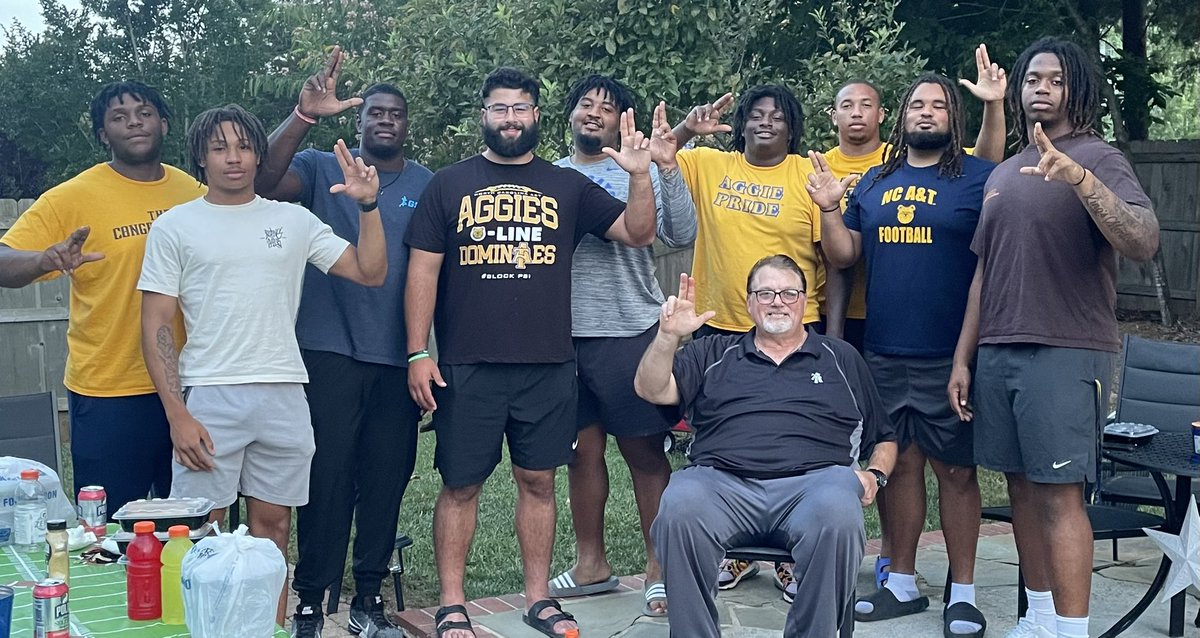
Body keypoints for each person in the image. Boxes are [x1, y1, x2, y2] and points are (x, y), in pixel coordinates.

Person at [404, 67, 657, 638]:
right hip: (469, 364)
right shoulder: (449, 184)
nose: (510, 118)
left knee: (538, 481)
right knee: (460, 485)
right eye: (500, 108)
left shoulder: (567, 186)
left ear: (537, 116)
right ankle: (451, 603)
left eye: (520, 108)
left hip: (547, 364)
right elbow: (423, 270)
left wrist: (641, 174)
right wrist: (418, 352)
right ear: (484, 116)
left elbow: (638, 232)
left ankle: (539, 600)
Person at [138, 104, 390, 626]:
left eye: (244, 146)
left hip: (284, 392)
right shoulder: (175, 226)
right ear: (201, 158)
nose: (233, 158)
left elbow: (370, 271)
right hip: (210, 396)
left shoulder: (292, 220)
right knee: (199, 535)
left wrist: (369, 205)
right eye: (219, 148)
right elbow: (157, 322)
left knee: (272, 534)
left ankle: (268, 631)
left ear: (258, 155)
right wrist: (176, 414)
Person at [948, 37, 1158, 638]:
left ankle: (1071, 629)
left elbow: (1143, 240)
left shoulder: (1099, 157)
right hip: (998, 352)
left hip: (1066, 349)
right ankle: (1039, 619)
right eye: (1033, 79)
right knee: (1020, 489)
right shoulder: (1003, 172)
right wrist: (963, 359)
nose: (1042, 88)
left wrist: (1081, 180)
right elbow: (983, 273)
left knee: (1060, 493)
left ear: (1077, 89)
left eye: (1056, 79)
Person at [254, 47, 432, 638]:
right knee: (324, 480)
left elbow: (438, 272)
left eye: (395, 114)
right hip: (327, 351)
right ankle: (311, 600)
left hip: (397, 357)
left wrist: (427, 353)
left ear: (406, 125)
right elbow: (262, 179)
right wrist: (303, 115)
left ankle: (368, 599)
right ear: (358, 121)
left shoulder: (427, 185)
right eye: (375, 112)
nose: (385, 120)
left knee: (385, 480)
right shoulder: (319, 165)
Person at [814, 72, 999, 638]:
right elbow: (844, 255)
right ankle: (901, 582)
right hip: (884, 353)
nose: (926, 112)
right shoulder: (875, 180)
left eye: (938, 105)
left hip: (949, 354)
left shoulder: (977, 177)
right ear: (902, 116)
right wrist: (829, 208)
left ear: (953, 118)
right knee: (900, 467)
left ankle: (962, 594)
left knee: (957, 472)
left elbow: (988, 267)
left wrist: (965, 358)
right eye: (917, 104)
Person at [634, 255, 897, 638]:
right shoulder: (713, 352)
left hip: (815, 487)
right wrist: (668, 337)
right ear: (749, 302)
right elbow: (650, 389)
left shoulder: (840, 358)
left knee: (839, 511)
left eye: (789, 293)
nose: (778, 302)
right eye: (766, 293)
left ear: (805, 300)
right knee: (679, 504)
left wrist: (875, 475)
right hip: (722, 485)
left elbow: (884, 436)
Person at [0, 81, 202, 513]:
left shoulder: (191, 192)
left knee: (191, 522)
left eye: (144, 113)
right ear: (102, 134)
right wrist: (43, 259)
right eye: (119, 117)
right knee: (110, 528)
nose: (134, 123)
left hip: (191, 385)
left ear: (164, 124)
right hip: (110, 390)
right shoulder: (73, 197)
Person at [667, 84, 829, 598]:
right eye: (756, 114)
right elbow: (659, 155)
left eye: (777, 116)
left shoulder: (807, 172)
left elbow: (832, 250)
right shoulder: (709, 164)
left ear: (792, 127)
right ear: (740, 124)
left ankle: (790, 555)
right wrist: (686, 128)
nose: (765, 122)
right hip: (722, 327)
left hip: (792, 327)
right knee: (723, 441)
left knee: (794, 441)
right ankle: (737, 550)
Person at [546, 74, 696, 618]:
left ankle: (659, 568)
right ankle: (591, 564)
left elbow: (681, 233)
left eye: (606, 108)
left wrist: (665, 167)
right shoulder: (548, 176)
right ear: (569, 115)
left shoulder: (640, 168)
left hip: (629, 330)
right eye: (584, 104)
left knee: (644, 453)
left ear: (620, 122)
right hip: (562, 338)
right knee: (580, 454)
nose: (594, 113)